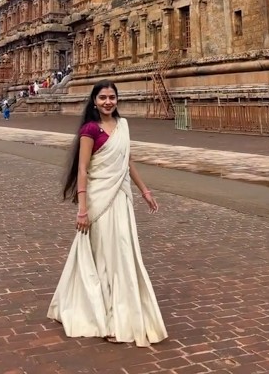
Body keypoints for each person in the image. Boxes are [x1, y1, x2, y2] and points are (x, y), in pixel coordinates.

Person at [47, 81, 167, 347]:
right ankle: (105, 316)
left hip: (120, 199)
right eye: (102, 97)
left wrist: (145, 191)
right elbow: (83, 169)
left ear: (117, 100)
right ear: (94, 101)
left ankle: (121, 310)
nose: (108, 102)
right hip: (98, 200)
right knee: (103, 255)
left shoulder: (123, 126)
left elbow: (127, 161)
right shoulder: (90, 129)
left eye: (112, 97)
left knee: (122, 252)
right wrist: (82, 209)